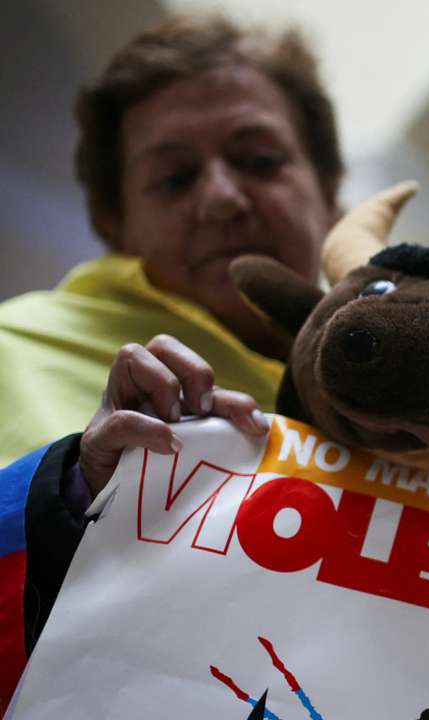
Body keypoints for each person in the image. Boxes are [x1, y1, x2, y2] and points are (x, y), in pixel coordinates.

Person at [0, 14, 345, 703]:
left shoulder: (412, 415)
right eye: (174, 178)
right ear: (115, 222)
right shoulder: (12, 348)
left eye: (259, 160)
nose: (220, 198)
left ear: (330, 191)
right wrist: (65, 494)